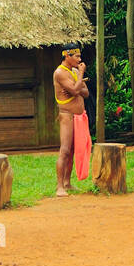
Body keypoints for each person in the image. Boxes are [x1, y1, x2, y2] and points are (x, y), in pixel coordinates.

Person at [53, 44, 91, 196]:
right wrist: (80, 78)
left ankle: (68, 183)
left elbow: (85, 93)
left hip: (79, 117)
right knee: (65, 150)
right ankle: (59, 186)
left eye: (80, 56)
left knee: (74, 150)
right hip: (67, 116)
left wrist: (77, 85)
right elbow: (76, 90)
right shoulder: (60, 73)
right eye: (77, 56)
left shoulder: (74, 71)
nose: (80, 60)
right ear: (67, 56)